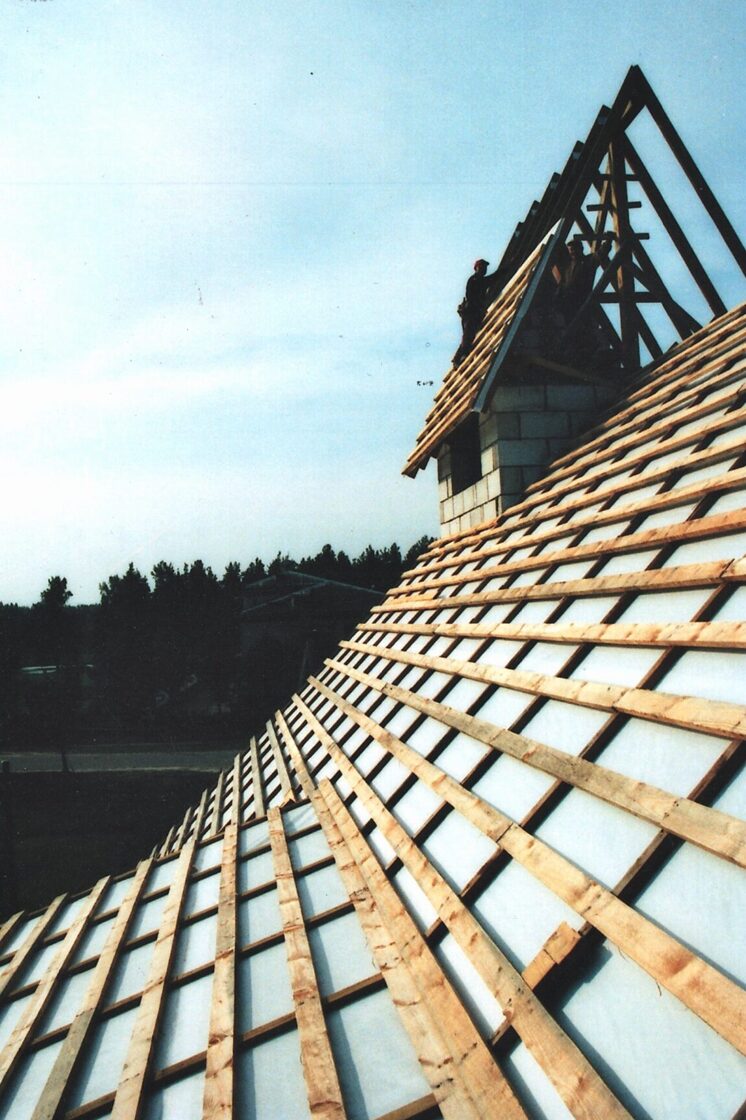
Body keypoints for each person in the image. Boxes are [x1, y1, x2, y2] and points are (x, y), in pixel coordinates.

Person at [452, 258, 503, 365]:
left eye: (485, 268)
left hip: (474, 313)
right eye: (482, 267)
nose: (484, 269)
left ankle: (459, 357)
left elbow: (494, 277)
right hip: (471, 313)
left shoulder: (481, 280)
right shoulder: (474, 280)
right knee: (468, 335)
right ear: (476, 268)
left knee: (469, 335)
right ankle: (459, 357)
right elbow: (471, 296)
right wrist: (479, 307)